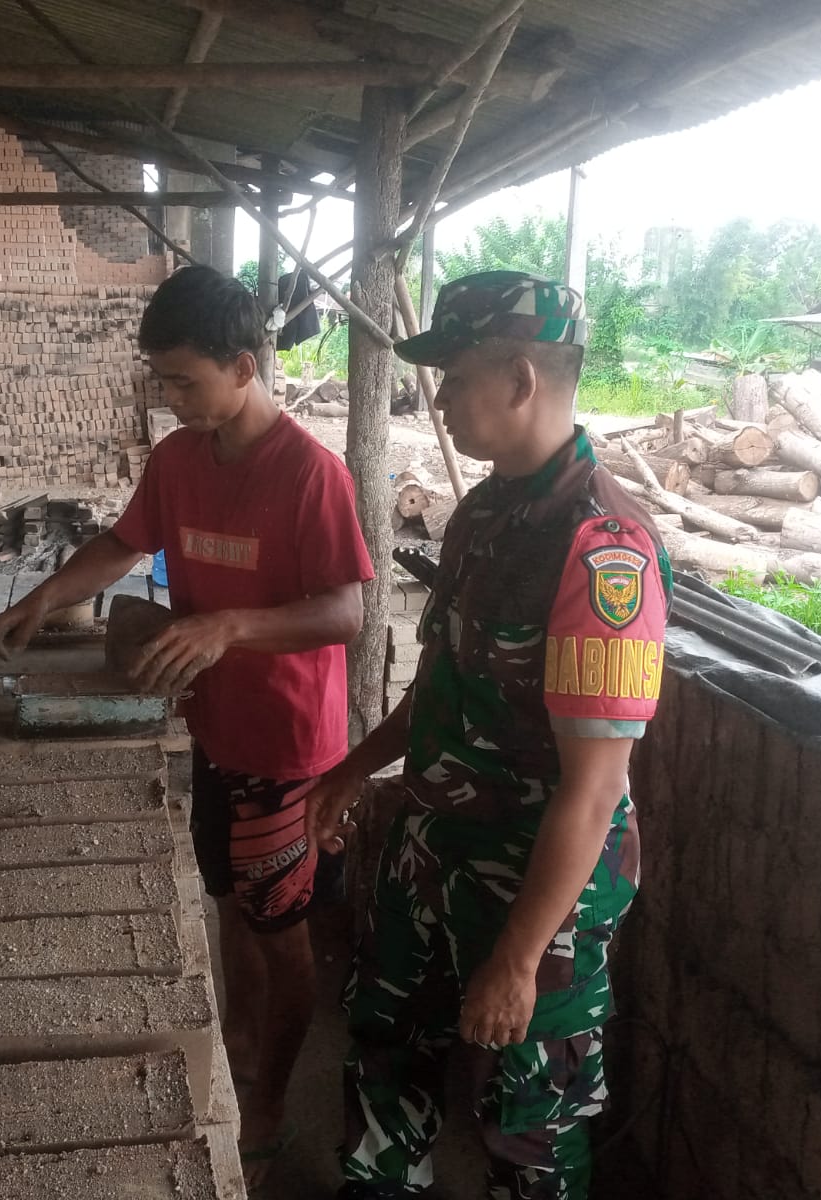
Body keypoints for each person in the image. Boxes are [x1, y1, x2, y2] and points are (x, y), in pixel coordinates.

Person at [0, 265, 373, 1187]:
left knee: (284, 932)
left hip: (287, 750)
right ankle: (235, 1050)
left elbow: (347, 612)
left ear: (245, 365)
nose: (172, 399)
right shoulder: (177, 460)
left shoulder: (310, 473)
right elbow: (126, 543)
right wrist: (43, 598)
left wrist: (230, 623)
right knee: (232, 907)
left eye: (185, 381)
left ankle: (274, 1092)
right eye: (162, 382)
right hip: (215, 732)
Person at [305, 271, 673, 1200]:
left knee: (527, 1123)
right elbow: (444, 689)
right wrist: (353, 766)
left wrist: (515, 961)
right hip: (433, 851)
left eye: (456, 376)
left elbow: (593, 790)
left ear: (519, 379)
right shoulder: (482, 513)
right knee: (386, 1057)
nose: (440, 399)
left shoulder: (604, 550)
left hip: (534, 891)